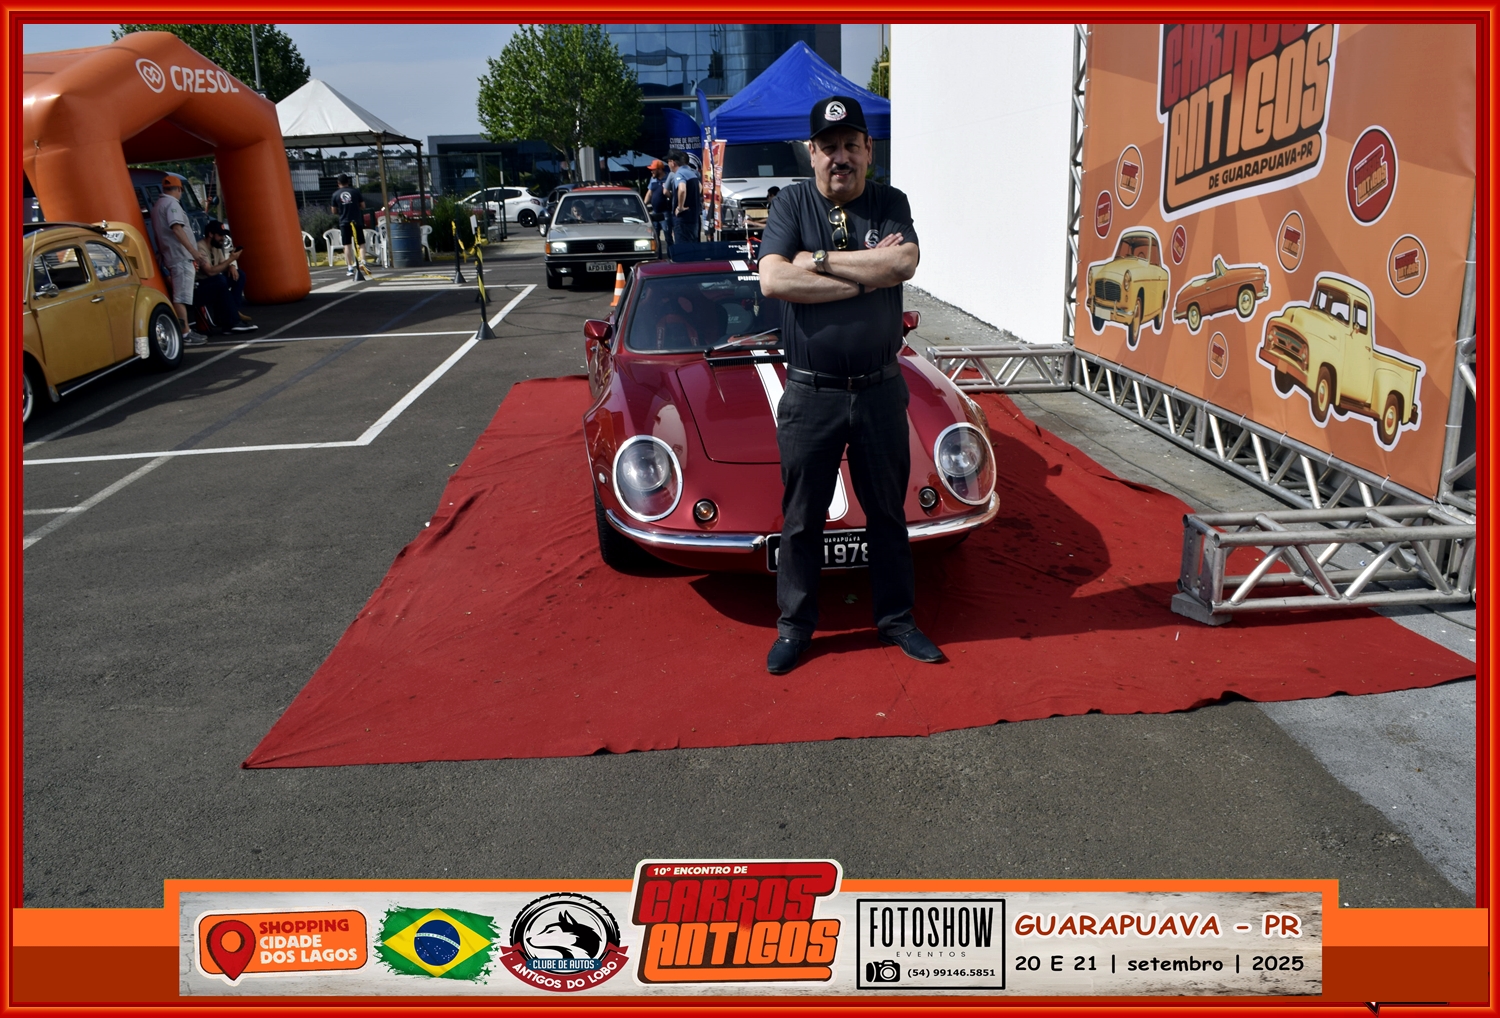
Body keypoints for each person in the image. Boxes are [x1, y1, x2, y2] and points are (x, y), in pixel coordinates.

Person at [756, 95, 939, 675]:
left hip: (880, 389)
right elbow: (773, 280)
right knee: (802, 518)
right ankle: (795, 627)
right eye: (829, 147)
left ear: (868, 150)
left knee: (887, 513)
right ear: (812, 152)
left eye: (851, 146)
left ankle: (897, 620)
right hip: (811, 392)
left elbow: (902, 264)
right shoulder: (790, 203)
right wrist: (865, 275)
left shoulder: (890, 202)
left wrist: (816, 261)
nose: (841, 157)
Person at [150, 174, 209, 346]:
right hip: (180, 256)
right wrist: (193, 252)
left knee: (180, 295)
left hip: (171, 255)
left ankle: (185, 331)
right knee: (181, 297)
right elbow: (176, 228)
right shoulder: (172, 205)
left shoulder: (158, 205)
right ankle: (185, 333)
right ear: (179, 189)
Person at [195, 220, 256, 334]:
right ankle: (232, 321)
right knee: (220, 280)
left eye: (223, 235)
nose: (222, 238)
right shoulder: (200, 247)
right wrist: (231, 259)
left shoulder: (216, 247)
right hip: (200, 286)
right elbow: (209, 272)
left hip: (214, 282)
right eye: (220, 235)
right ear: (211, 234)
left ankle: (232, 314)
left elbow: (223, 265)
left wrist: (231, 266)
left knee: (239, 275)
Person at [330, 173, 366, 278]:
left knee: (347, 245)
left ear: (338, 183)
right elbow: (363, 205)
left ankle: (350, 267)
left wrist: (342, 210)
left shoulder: (335, 194)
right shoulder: (355, 192)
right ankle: (363, 263)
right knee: (361, 243)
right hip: (356, 221)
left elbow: (333, 210)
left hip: (344, 222)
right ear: (348, 182)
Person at [667, 150, 701, 245]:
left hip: (683, 220)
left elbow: (682, 189)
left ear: (673, 162)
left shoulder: (680, 173)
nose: (668, 164)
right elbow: (700, 187)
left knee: (683, 249)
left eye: (668, 161)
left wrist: (680, 207)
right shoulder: (692, 173)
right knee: (693, 247)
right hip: (694, 218)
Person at [645, 159, 671, 255]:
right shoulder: (653, 179)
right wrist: (644, 205)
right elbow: (649, 193)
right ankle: (658, 256)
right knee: (655, 236)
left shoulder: (668, 178)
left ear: (660, 170)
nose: (651, 172)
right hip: (655, 212)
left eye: (653, 170)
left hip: (665, 212)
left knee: (667, 235)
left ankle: (671, 256)